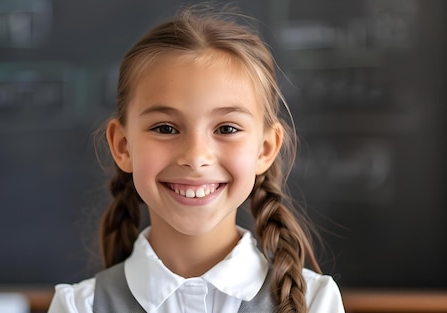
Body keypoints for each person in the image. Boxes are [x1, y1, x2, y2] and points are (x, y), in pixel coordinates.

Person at [48, 5, 345, 313]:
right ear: (123, 146)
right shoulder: (77, 307)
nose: (195, 156)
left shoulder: (315, 302)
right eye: (165, 128)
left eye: (227, 128)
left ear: (265, 149)